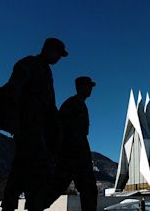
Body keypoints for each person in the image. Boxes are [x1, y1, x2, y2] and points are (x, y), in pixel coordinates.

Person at [1, 38, 68, 211]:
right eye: (57, 54)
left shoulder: (47, 73)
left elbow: (50, 106)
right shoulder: (28, 64)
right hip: (28, 128)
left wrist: (56, 131)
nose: (58, 59)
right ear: (47, 49)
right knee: (38, 171)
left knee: (22, 169)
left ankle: (12, 205)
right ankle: (27, 205)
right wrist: (15, 123)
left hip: (40, 131)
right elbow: (12, 91)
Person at [44, 76, 98, 211]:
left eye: (91, 86)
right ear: (79, 87)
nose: (90, 89)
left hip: (81, 155)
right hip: (69, 154)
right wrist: (60, 154)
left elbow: (82, 133)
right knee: (56, 188)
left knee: (89, 189)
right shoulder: (70, 104)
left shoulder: (82, 106)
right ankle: (36, 206)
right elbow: (60, 130)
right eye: (88, 86)